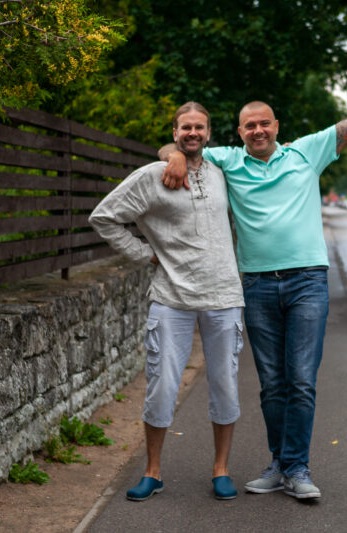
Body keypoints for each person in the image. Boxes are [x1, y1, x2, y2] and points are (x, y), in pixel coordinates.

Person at [160, 72, 347, 500]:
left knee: (301, 380)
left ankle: (297, 467)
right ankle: (278, 464)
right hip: (258, 285)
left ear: (276, 126)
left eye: (264, 123)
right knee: (272, 384)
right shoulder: (228, 160)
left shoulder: (307, 151)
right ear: (240, 132)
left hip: (307, 282)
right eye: (250, 125)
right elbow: (183, 144)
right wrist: (174, 155)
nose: (258, 130)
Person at [89, 102, 245, 502]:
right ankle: (153, 472)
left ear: (208, 133)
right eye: (185, 128)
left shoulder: (223, 172)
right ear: (175, 133)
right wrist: (146, 254)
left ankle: (221, 470)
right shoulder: (152, 176)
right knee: (161, 386)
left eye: (199, 128)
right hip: (171, 296)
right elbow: (104, 217)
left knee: (225, 385)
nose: (192, 133)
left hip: (224, 295)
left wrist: (175, 155)